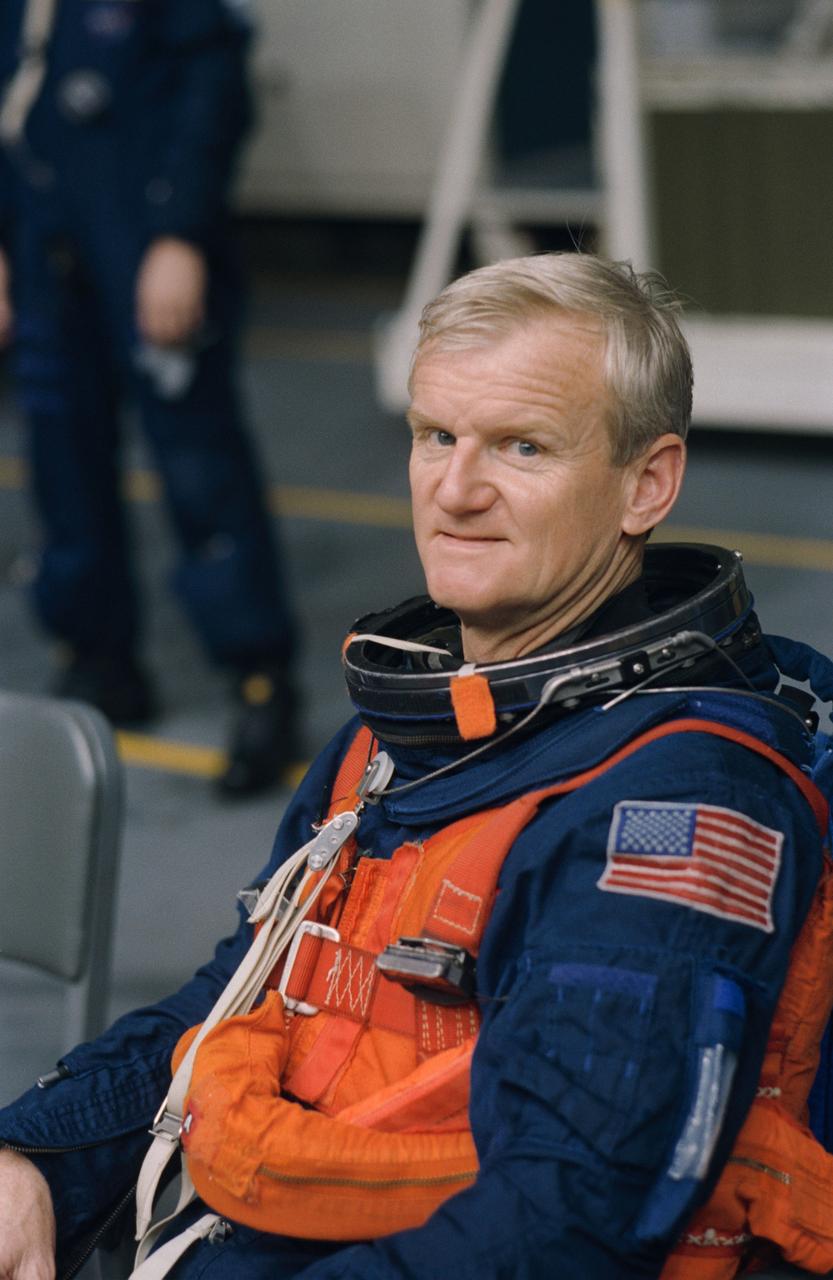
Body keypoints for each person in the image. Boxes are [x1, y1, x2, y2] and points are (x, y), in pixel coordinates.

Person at [1, 251, 833, 1280]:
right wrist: (42, 1155)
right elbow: (248, 995)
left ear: (644, 482)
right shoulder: (408, 731)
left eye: (520, 447)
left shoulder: (675, 800)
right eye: (434, 434)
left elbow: (560, 1219)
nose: (454, 489)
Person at [0, 0, 300, 797]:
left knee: (199, 465)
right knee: (61, 462)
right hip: (42, 256)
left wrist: (180, 234)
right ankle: (99, 660)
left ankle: (257, 678)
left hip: (143, 243)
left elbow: (213, 83)